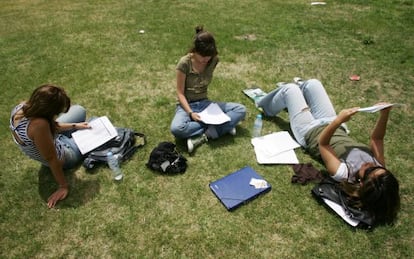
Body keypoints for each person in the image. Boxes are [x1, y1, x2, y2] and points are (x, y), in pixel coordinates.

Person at [257, 78, 400, 225]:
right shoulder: (379, 170)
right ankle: (300, 96)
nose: (372, 164)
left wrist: (338, 120)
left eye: (369, 170)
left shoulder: (343, 173)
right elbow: (377, 139)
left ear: (361, 183)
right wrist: (384, 114)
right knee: (313, 83)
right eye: (378, 168)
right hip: (332, 124)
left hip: (310, 131)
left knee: (290, 89)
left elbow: (323, 143)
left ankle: (265, 105)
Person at [9, 84, 91, 208]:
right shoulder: (39, 125)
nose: (57, 115)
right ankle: (75, 138)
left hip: (52, 140)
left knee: (79, 110)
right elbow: (52, 159)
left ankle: (74, 133)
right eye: (57, 113)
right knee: (95, 124)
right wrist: (63, 186)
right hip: (64, 155)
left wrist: (75, 126)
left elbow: (53, 126)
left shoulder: (22, 107)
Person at [170, 26, 246, 153]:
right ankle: (222, 127)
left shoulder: (213, 60)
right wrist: (190, 113)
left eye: (208, 57)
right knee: (177, 129)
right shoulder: (184, 63)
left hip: (205, 104)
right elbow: (180, 92)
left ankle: (206, 134)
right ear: (194, 51)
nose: (206, 60)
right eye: (203, 57)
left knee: (240, 109)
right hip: (187, 105)